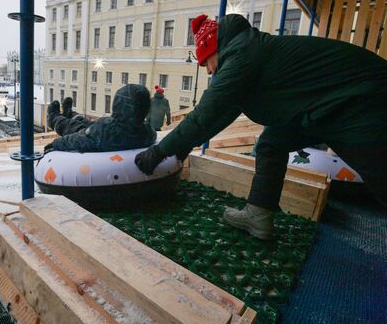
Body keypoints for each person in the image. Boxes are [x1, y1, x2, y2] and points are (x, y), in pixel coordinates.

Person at [135, 13, 387, 240]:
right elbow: (222, 114)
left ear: (213, 48)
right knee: (271, 143)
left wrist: (158, 152)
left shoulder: (242, 55)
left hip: (364, 100)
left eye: (206, 63)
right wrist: (185, 144)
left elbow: (205, 113)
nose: (209, 72)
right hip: (322, 108)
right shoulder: (246, 51)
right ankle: (258, 216)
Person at [45, 84, 156, 153]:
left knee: (74, 127)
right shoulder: (147, 132)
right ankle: (70, 113)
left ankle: (54, 118)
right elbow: (153, 134)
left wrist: (56, 143)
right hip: (109, 129)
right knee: (90, 124)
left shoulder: (106, 133)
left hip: (103, 133)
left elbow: (78, 139)